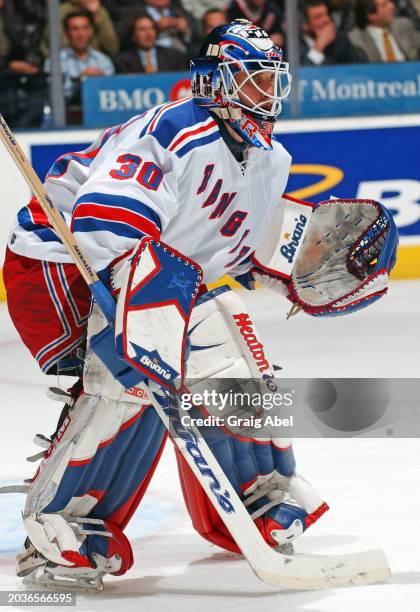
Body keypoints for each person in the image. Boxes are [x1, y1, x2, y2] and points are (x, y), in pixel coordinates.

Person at [3, 19, 396, 589]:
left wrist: (296, 268)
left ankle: (252, 500)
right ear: (217, 82)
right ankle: (58, 528)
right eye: (255, 81)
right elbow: (102, 227)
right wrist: (147, 316)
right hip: (60, 265)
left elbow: (239, 250)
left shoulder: (270, 158)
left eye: (273, 82)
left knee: (232, 356)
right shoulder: (175, 130)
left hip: (156, 270)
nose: (268, 96)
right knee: (131, 378)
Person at [44, 11, 115, 104]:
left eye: (85, 28)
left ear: (91, 31)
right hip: (68, 114)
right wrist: (80, 82)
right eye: (75, 29)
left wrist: (102, 82)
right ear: (67, 33)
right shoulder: (54, 62)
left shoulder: (103, 60)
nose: (81, 34)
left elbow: (112, 93)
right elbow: (53, 96)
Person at [113, 12, 187, 73]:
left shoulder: (174, 56)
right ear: (133, 36)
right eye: (142, 29)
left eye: (152, 28)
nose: (149, 34)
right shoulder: (122, 61)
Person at [349, 0, 420, 61]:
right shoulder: (355, 40)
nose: (392, 6)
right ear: (371, 15)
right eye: (384, 5)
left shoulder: (403, 25)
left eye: (390, 2)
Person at [300, 0, 365, 65]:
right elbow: (296, 73)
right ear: (305, 25)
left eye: (326, 14)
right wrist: (318, 48)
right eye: (318, 17)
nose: (326, 19)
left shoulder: (340, 39)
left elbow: (357, 68)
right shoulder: (294, 46)